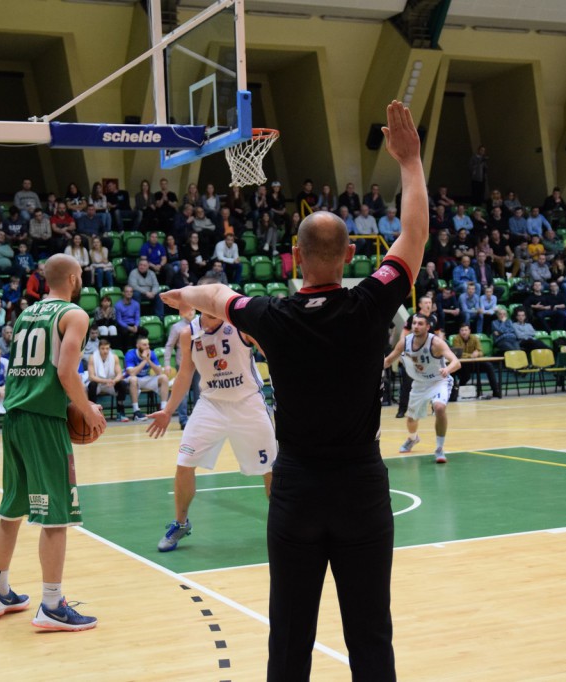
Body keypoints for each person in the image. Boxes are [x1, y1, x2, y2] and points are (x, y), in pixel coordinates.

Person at [158, 100, 425, 680]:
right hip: (360, 490)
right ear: (352, 257)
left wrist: (184, 294)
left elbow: (215, 295)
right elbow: (413, 234)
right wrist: (409, 162)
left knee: (290, 638)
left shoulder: (271, 316)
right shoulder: (370, 302)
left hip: (298, 491)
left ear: (295, 256)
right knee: (371, 637)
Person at [0, 253, 106, 631]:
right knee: (56, 515)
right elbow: (66, 371)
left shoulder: (24, 315)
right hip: (43, 419)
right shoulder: (74, 315)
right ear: (72, 277)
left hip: (15, 417)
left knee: (12, 508)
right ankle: (52, 605)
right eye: (81, 274)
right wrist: (86, 410)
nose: (82, 278)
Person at [146, 280, 276, 552]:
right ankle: (181, 523)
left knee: (270, 468)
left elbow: (272, 353)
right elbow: (184, 374)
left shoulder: (241, 326)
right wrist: (168, 410)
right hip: (211, 405)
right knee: (184, 462)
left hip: (247, 403)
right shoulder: (188, 333)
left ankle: (282, 523)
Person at [385, 312, 460, 462]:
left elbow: (456, 362)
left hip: (439, 381)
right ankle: (413, 438)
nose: (416, 326)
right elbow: (388, 361)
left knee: (439, 407)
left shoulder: (436, 343)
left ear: (428, 326)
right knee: (412, 419)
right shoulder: (405, 342)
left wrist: (447, 369)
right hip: (419, 384)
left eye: (420, 324)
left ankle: (439, 448)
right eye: (414, 323)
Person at [123, 336, 169, 422]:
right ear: (138, 346)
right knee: (133, 379)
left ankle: (163, 409)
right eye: (144, 345)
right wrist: (144, 360)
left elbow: (159, 372)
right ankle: (136, 411)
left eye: (148, 344)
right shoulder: (130, 354)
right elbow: (132, 373)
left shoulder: (151, 353)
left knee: (164, 378)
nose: (147, 346)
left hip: (146, 378)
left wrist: (149, 360)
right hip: (133, 379)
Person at [87, 337, 132, 422]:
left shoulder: (114, 357)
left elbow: (119, 374)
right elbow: (91, 376)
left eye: (107, 348)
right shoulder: (92, 357)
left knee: (122, 384)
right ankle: (94, 413)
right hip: (98, 384)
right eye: (103, 348)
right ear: (99, 348)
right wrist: (106, 381)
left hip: (111, 383)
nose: (105, 351)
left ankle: (120, 412)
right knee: (91, 385)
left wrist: (114, 381)